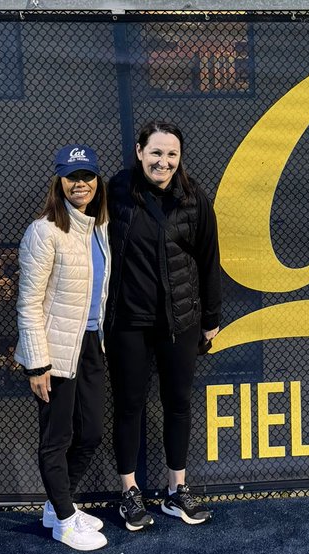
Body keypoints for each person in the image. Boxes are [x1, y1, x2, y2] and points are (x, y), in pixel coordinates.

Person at [106, 121, 222, 530]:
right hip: (129, 322)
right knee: (129, 406)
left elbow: (209, 259)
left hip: (181, 322)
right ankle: (130, 492)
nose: (164, 161)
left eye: (172, 154)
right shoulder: (115, 192)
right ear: (139, 152)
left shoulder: (193, 197)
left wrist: (211, 319)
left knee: (178, 403)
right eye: (156, 152)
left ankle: (177, 491)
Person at [15, 145, 111, 551]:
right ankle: (65, 521)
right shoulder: (44, 230)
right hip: (54, 349)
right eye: (72, 176)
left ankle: (59, 506)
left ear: (96, 182)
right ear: (59, 181)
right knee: (57, 437)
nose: (80, 184)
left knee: (90, 433)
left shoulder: (99, 228)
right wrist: (37, 364)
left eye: (87, 176)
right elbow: (28, 302)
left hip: (90, 344)